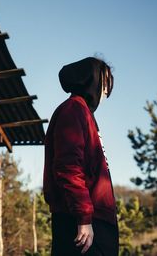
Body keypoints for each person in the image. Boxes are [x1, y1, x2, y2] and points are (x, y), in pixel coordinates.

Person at [43, 57, 119, 255]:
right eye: (106, 82)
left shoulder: (85, 113)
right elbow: (68, 167)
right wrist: (83, 217)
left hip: (97, 219)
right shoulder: (73, 109)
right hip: (81, 222)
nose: (107, 91)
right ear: (93, 79)